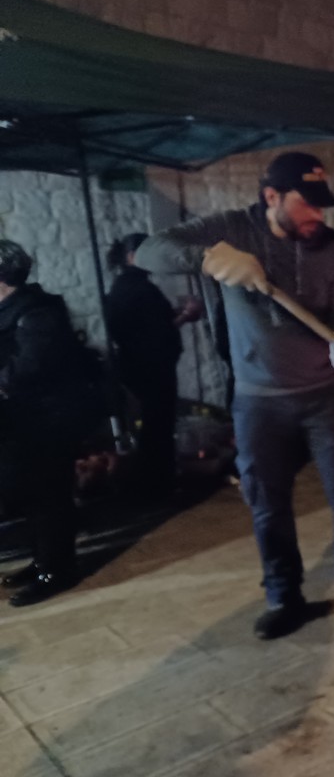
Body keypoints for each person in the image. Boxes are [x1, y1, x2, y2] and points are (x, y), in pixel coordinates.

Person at [135, 152, 334, 639]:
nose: (318, 215)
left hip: (328, 395)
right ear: (272, 196)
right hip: (259, 400)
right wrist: (208, 258)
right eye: (307, 203)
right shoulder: (233, 230)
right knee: (267, 503)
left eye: (322, 204)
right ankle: (284, 596)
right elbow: (149, 251)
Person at [0, 240, 95, 606]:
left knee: (49, 496)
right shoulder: (13, 309)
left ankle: (58, 570)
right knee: (31, 495)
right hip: (25, 420)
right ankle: (42, 561)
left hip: (47, 420)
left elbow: (29, 366)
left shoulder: (36, 312)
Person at [105, 233, 201, 498]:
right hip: (152, 367)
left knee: (155, 424)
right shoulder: (139, 289)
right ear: (131, 257)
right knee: (158, 425)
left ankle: (155, 482)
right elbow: (155, 332)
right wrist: (185, 315)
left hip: (142, 366)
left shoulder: (125, 287)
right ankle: (158, 484)